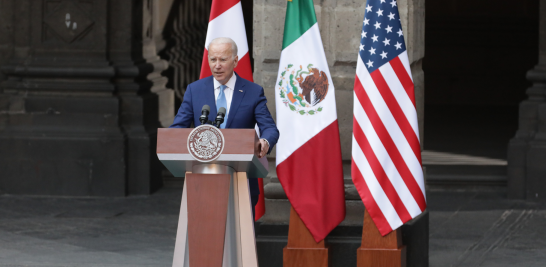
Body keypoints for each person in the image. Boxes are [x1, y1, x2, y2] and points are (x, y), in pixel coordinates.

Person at [170, 37, 279, 214]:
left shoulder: (252, 91)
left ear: (235, 61)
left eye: (223, 59)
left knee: (240, 237)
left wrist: (265, 141)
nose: (217, 65)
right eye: (213, 59)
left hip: (241, 180)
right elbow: (177, 129)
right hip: (203, 179)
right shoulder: (194, 90)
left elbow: (269, 128)